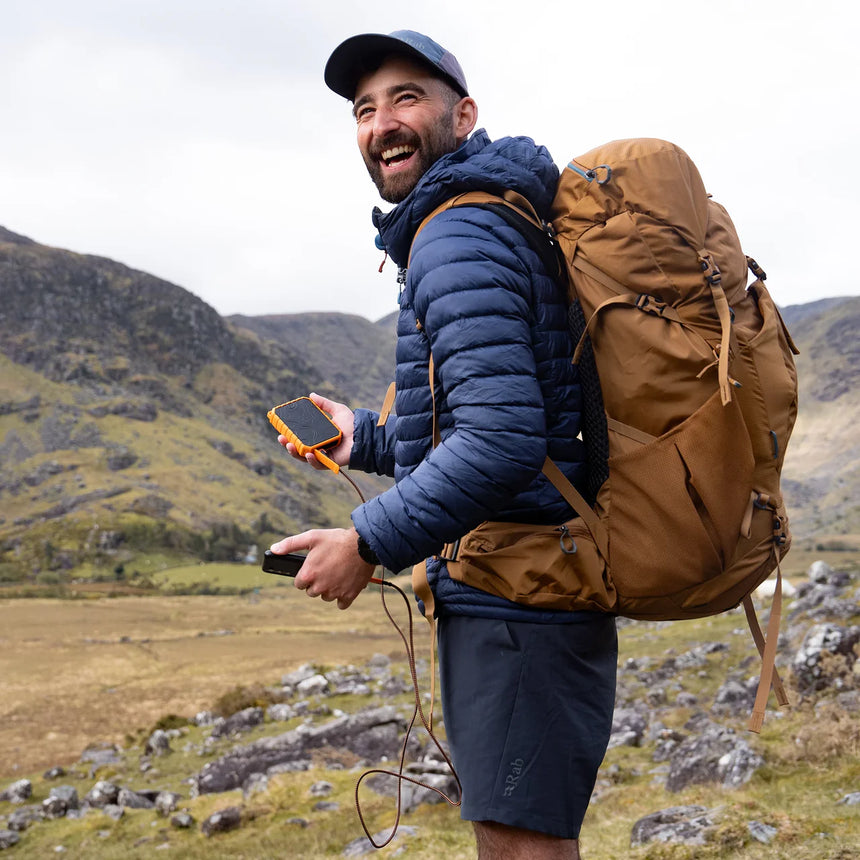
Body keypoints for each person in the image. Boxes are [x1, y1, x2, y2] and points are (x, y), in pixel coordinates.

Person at [269, 30, 617, 860]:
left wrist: (366, 542)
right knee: (517, 836)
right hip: (526, 589)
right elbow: (500, 415)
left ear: (462, 116)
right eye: (365, 109)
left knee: (522, 845)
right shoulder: (492, 216)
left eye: (406, 99)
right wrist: (365, 439)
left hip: (519, 599)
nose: (382, 123)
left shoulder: (456, 236)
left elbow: (502, 440)